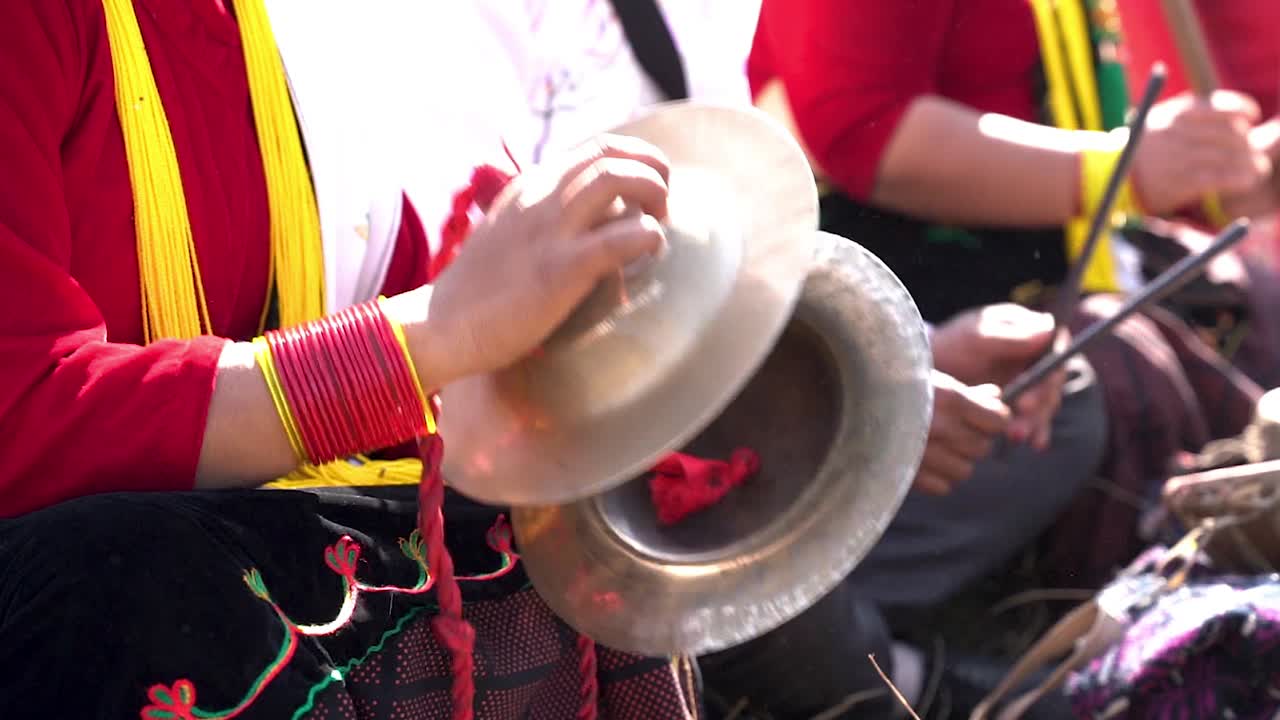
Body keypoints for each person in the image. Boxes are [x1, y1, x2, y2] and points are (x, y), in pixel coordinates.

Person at [0, 1, 701, 718]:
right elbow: (19, 423)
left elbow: (406, 319)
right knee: (127, 573)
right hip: (95, 587)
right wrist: (428, 337)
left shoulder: (284, 31)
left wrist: (562, 343)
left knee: (567, 532)